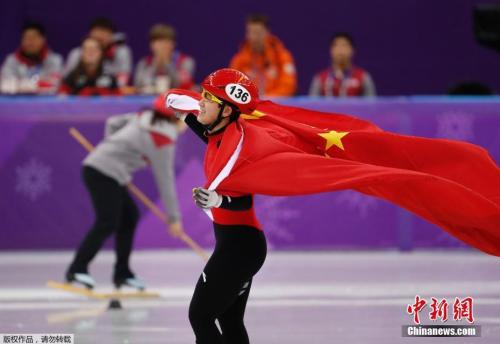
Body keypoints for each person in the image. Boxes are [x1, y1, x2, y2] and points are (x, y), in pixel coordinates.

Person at [167, 69, 266, 343]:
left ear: (225, 111)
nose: (201, 101)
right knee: (230, 320)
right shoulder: (221, 137)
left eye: (208, 98)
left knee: (200, 316)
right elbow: (207, 134)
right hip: (241, 246)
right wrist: (185, 115)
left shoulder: (239, 149)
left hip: (241, 248)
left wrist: (219, 200)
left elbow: (245, 199)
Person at [66, 95, 186, 290]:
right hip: (103, 172)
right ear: (175, 118)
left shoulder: (143, 116)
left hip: (105, 170)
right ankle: (77, 269)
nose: (188, 123)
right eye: (187, 117)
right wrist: (173, 218)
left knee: (129, 217)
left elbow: (113, 123)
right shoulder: (162, 140)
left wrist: (113, 148)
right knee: (107, 221)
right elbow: (165, 180)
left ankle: (123, 273)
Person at [229, 14, 297, 97]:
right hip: (249, 106)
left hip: (275, 105)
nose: (254, 37)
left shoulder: (282, 56)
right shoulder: (239, 60)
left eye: (258, 33)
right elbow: (232, 87)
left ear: (267, 32)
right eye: (251, 32)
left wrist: (267, 100)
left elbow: (288, 86)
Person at [64, 17, 132, 87]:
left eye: (105, 32)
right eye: (98, 31)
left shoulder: (121, 52)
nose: (101, 36)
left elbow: (121, 84)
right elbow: (66, 82)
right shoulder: (77, 53)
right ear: (90, 33)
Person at [0, 22, 63, 94]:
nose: (30, 42)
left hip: (45, 103)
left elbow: (54, 85)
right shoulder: (11, 60)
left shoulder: (54, 60)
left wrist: (22, 85)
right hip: (16, 103)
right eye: (26, 38)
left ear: (43, 39)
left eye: (34, 38)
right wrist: (35, 85)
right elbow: (5, 85)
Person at [134, 24, 195, 94]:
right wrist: (155, 64)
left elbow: (180, 84)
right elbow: (138, 85)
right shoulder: (144, 63)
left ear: (173, 44)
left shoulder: (185, 61)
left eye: (166, 42)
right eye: (159, 42)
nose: (162, 46)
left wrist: (167, 63)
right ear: (151, 45)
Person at [309, 32, 376, 97]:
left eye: (344, 45)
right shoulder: (320, 79)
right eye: (336, 46)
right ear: (331, 50)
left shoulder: (363, 77)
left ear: (352, 50)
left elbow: (371, 106)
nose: (340, 50)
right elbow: (313, 105)